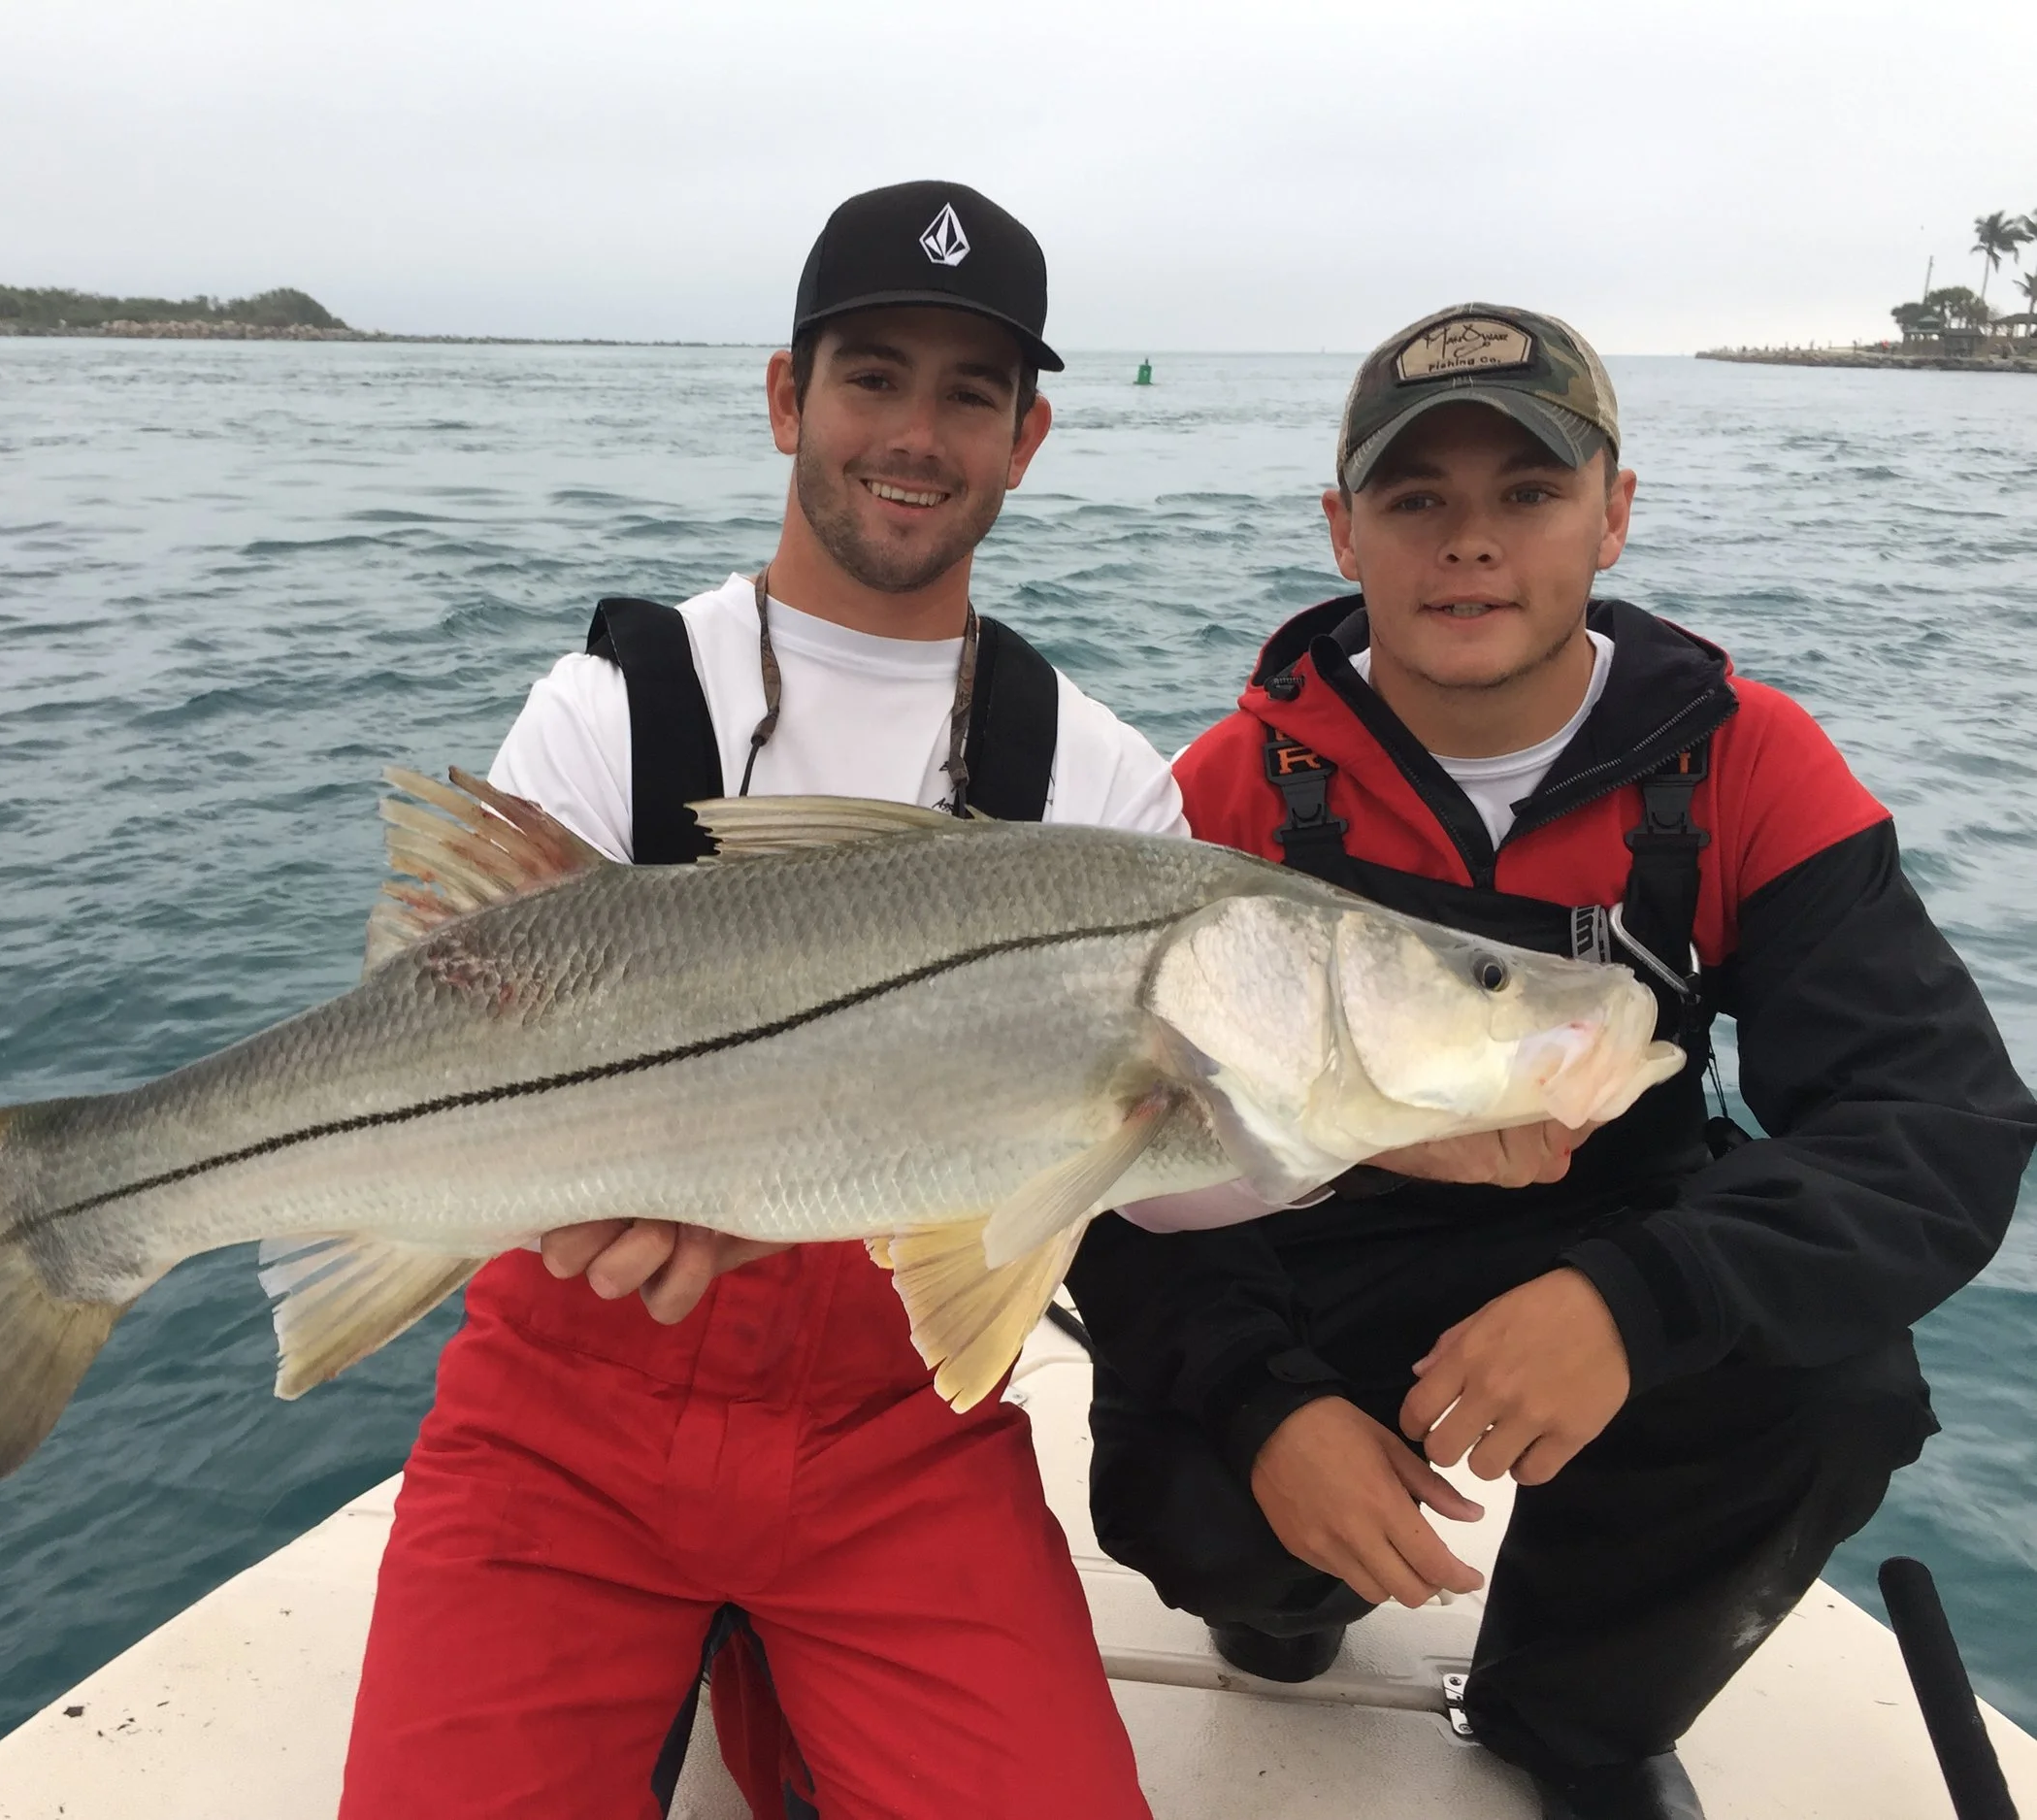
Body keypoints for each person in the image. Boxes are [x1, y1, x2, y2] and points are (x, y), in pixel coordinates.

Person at [1066, 303, 2036, 1820]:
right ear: (1343, 532)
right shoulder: (1228, 789)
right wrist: (1268, 1406)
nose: (1471, 543)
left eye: (1526, 493)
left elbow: (1938, 1118)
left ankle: (1576, 1706)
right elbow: (1111, 1151)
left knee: (1833, 1383)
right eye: (1417, 499)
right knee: (1185, 1466)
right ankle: (1281, 1598)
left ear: (1615, 513)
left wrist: (1634, 1304)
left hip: (1617, 1222)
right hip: (1311, 1246)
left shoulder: (1749, 762)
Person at [338, 182, 1180, 1820]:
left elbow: (1196, 1178)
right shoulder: (607, 711)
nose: (917, 433)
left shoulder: (1097, 774)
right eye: (873, 374)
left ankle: (767, 1676)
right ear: (787, 394)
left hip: (898, 1440)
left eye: (971, 393)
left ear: (1031, 436)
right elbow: (431, 1044)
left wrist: (1405, 1129)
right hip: (562, 1419)